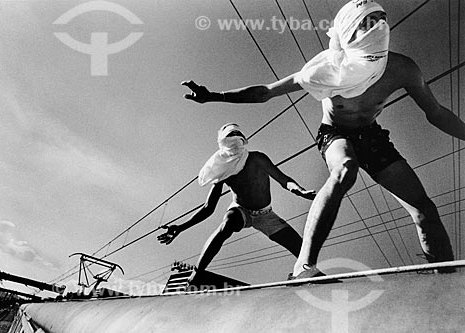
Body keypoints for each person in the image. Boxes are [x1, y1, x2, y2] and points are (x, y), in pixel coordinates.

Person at [181, 0, 465, 278]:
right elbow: (265, 91)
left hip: (372, 136)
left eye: (380, 24)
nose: (376, 30)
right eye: (366, 27)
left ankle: (446, 276)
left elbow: (436, 113)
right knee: (345, 169)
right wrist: (214, 96)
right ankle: (305, 265)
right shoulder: (322, 70)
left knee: (424, 209)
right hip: (334, 133)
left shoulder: (402, 69)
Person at [157, 123, 316, 282]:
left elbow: (284, 180)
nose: (236, 140)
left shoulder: (257, 158)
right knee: (228, 223)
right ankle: (197, 274)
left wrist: (299, 190)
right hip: (241, 210)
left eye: (238, 134)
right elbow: (208, 208)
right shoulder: (224, 170)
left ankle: (304, 273)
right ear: (223, 143)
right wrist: (180, 227)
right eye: (231, 135)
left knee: (302, 248)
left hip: (266, 215)